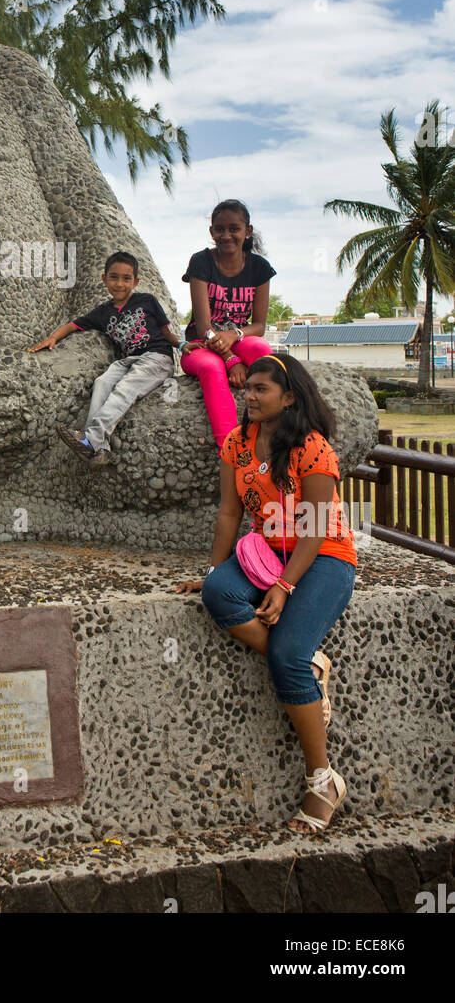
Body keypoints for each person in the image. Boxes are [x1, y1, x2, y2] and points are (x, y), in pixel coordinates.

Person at [176, 353, 357, 835]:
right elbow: (229, 515)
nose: (249, 396)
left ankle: (323, 780)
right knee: (217, 594)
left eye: (261, 390)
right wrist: (215, 571)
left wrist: (284, 586)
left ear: (289, 397)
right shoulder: (238, 443)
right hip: (267, 552)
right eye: (248, 389)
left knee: (286, 656)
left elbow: (317, 528)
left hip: (324, 556)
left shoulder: (313, 449)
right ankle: (311, 664)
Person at [29, 251, 182, 464]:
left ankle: (91, 439)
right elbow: (73, 325)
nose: (119, 284)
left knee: (125, 387)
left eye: (126, 278)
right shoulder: (103, 313)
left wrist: (183, 345)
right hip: (128, 360)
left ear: (135, 281)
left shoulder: (146, 301)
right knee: (102, 382)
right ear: (104, 279)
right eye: (114, 277)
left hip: (156, 358)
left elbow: (167, 332)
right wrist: (53, 338)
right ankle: (100, 449)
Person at [179, 199, 276, 447]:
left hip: (236, 339)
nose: (227, 235)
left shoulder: (259, 268)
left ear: (248, 232)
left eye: (234, 229)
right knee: (212, 369)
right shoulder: (201, 262)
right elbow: (204, 327)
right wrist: (232, 360)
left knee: (263, 351)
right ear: (211, 232)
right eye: (219, 229)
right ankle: (230, 449)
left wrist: (234, 335)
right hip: (202, 345)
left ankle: (272, 433)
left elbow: (259, 326)